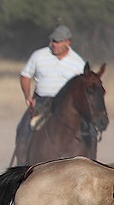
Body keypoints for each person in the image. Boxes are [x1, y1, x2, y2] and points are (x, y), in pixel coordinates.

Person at [12, 24, 87, 164]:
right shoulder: (39, 55)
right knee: (24, 127)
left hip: (66, 105)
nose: (54, 44)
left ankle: (88, 160)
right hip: (41, 102)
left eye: (58, 41)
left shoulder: (78, 63)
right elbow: (25, 75)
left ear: (67, 42)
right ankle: (21, 162)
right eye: (53, 41)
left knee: (88, 130)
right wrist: (27, 97)